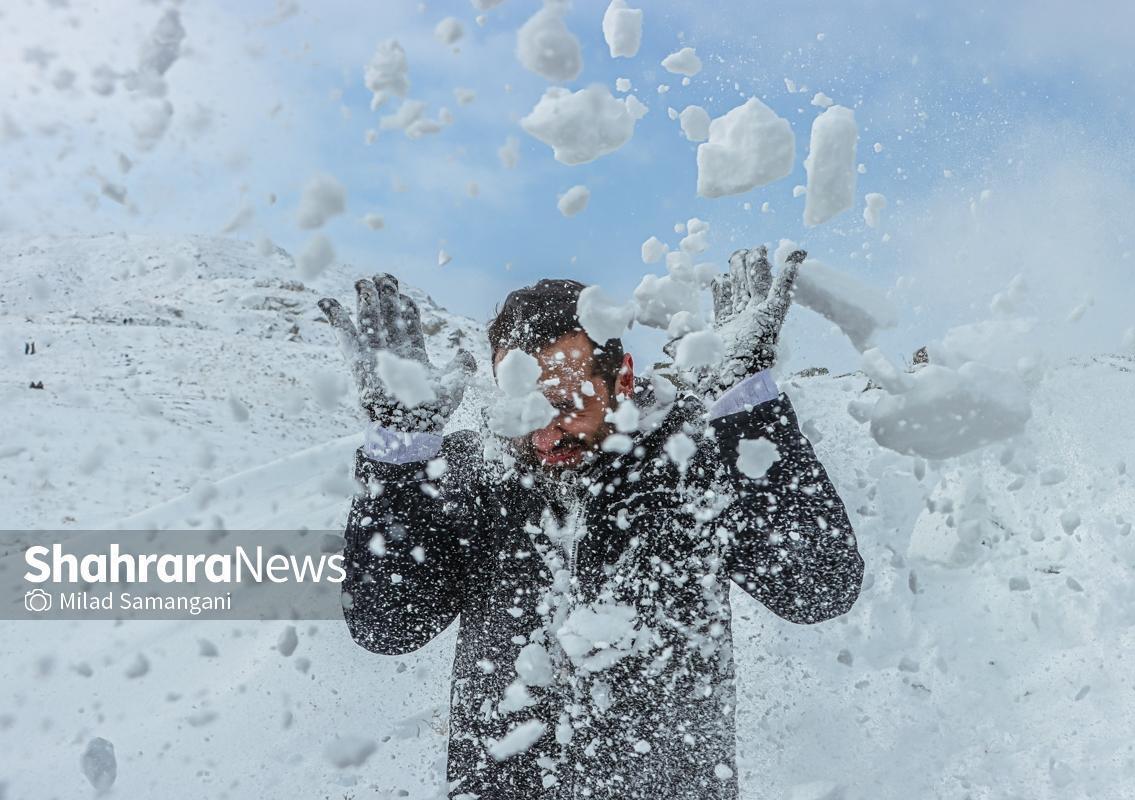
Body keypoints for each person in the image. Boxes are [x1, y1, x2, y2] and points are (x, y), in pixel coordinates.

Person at [318, 246, 864, 800]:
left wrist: (747, 405)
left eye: (565, 404)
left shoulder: (693, 452)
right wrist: (399, 450)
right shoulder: (473, 471)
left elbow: (817, 587)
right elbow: (387, 625)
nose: (544, 435)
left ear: (622, 377)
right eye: (525, 408)